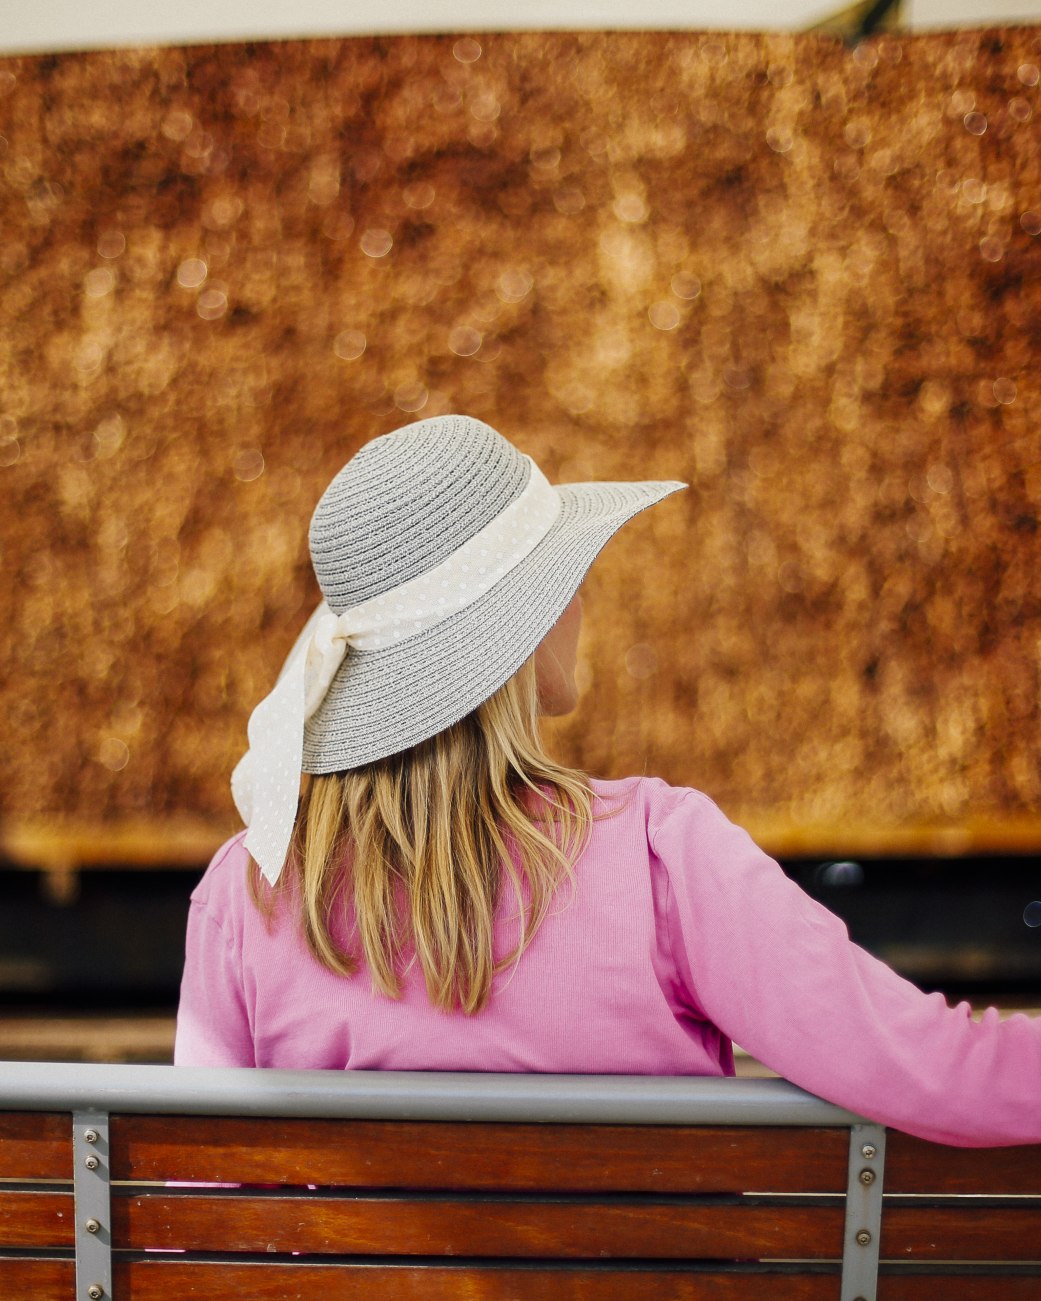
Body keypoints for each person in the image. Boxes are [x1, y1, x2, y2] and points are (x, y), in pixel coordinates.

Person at [175, 413, 1041, 1147]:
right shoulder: (661, 855)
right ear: (521, 621)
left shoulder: (246, 890)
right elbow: (927, 1066)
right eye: (564, 570)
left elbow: (195, 1201)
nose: (583, 592)